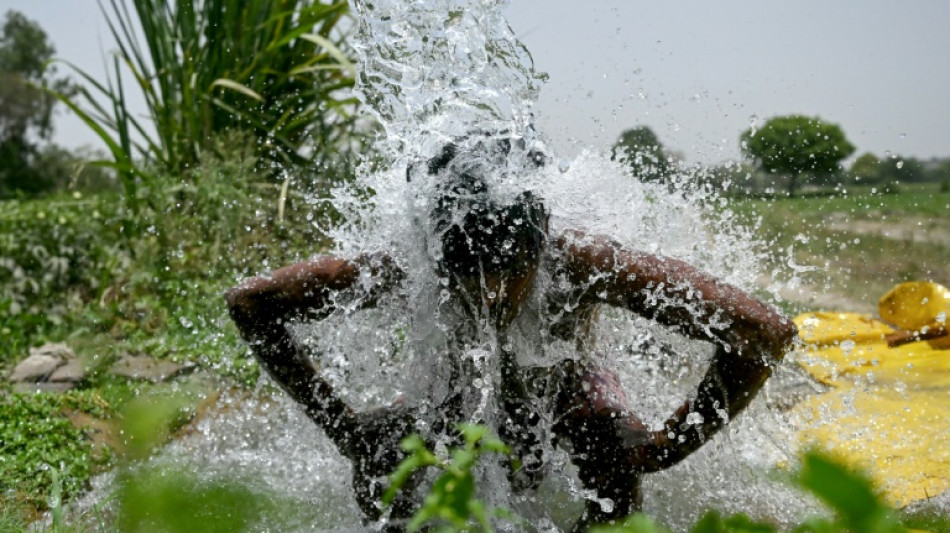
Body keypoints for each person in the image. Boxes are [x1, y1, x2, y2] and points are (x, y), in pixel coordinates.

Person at [225, 135, 798, 531]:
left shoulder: (587, 263)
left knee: (608, 448)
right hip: (448, 390)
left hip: (567, 388)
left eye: (512, 276)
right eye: (470, 280)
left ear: (542, 243)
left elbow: (763, 331)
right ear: (431, 252)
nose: (494, 297)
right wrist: (343, 426)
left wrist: (669, 445)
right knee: (384, 458)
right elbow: (251, 303)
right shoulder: (398, 266)